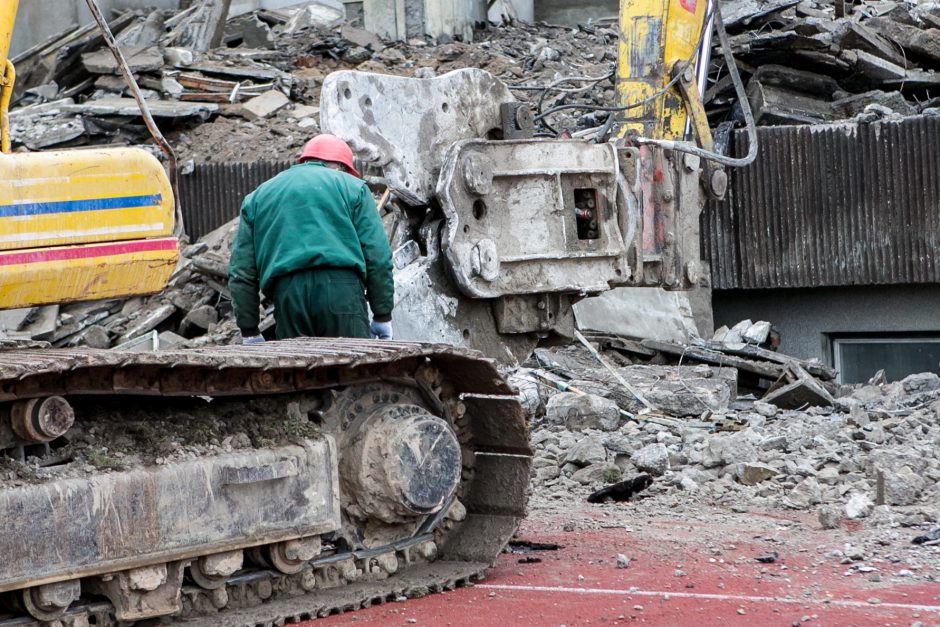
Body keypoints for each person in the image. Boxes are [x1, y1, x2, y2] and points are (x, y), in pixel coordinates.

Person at [228, 134, 394, 344]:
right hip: (341, 293)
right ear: (339, 166)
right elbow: (377, 255)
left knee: (300, 373)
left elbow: (241, 271)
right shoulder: (353, 187)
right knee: (354, 373)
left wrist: (249, 329)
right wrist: (382, 314)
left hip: (288, 297)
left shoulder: (257, 198)